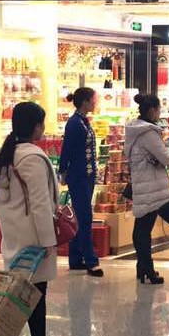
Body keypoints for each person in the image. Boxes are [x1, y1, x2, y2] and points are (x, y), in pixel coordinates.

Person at [0, 102, 60, 336]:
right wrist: (48, 241)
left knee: (15, 292)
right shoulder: (33, 159)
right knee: (36, 295)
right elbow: (40, 204)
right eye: (42, 123)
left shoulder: (3, 156)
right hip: (34, 239)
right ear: (36, 126)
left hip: (13, 235)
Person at [125, 93, 169, 285]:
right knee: (144, 230)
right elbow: (166, 158)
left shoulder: (136, 130)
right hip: (150, 187)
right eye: (159, 110)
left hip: (143, 183)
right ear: (152, 110)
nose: (159, 113)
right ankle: (148, 269)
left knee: (141, 228)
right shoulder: (148, 133)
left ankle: (143, 267)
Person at [59, 87, 103, 277]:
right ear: (85, 102)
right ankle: (91, 261)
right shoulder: (74, 124)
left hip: (87, 175)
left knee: (81, 216)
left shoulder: (83, 121)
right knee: (85, 217)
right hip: (78, 176)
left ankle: (76, 258)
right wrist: (62, 171)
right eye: (93, 99)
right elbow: (67, 149)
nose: (95, 102)